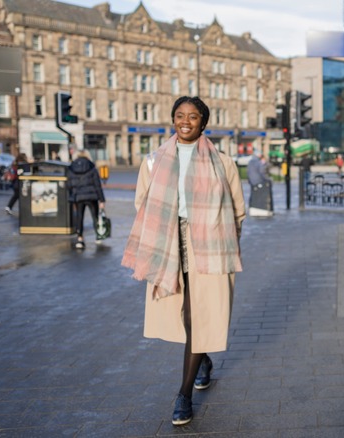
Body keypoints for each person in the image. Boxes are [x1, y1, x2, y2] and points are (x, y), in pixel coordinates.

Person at [121, 96, 246, 426]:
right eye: (180, 115)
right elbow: (141, 204)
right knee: (185, 313)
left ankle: (184, 395)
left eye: (193, 116)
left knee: (197, 313)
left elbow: (238, 210)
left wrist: (226, 239)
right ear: (173, 120)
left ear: (203, 122)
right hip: (169, 242)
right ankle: (202, 359)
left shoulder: (223, 162)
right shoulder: (152, 161)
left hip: (211, 244)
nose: (186, 121)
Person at [65, 150, 105, 249]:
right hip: (92, 196)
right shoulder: (91, 166)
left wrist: (72, 196)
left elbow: (69, 184)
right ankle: (98, 236)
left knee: (79, 216)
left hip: (78, 196)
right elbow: (97, 184)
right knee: (94, 216)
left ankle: (80, 238)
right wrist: (101, 199)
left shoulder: (72, 167)